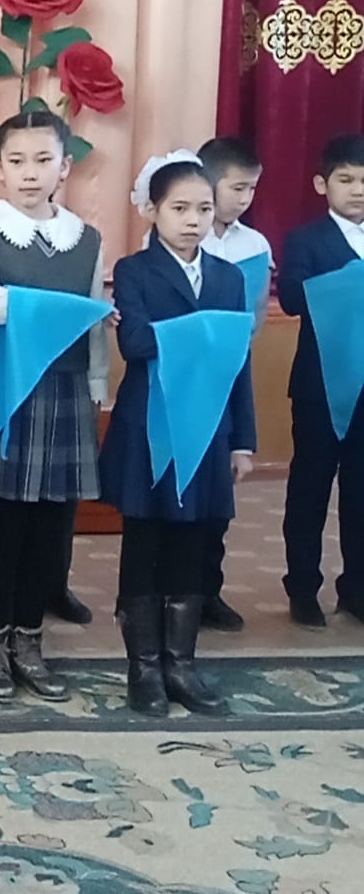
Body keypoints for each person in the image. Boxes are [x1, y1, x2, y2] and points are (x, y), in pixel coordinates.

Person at [0, 112, 108, 703]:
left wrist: (97, 381)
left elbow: (94, 319)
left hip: (66, 391)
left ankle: (29, 641)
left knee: (51, 528)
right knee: (5, 528)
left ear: (64, 167)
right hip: (9, 391)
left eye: (43, 160)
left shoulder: (85, 238)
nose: (29, 173)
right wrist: (63, 311)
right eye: (16, 161)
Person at [99, 156, 255, 716]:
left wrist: (243, 439)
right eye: (180, 208)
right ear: (152, 211)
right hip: (150, 424)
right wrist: (205, 334)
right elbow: (136, 344)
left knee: (193, 542)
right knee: (144, 542)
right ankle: (143, 669)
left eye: (204, 209)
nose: (193, 220)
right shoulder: (135, 270)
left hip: (209, 428)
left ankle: (181, 665)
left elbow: (237, 361)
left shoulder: (229, 278)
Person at [278, 134, 364, 628]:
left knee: (360, 492)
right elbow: (292, 297)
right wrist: (348, 282)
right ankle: (303, 586)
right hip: (319, 388)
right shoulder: (305, 239)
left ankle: (356, 588)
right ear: (321, 184)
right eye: (346, 180)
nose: (357, 190)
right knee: (310, 488)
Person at [194, 136, 271, 632]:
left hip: (228, 375)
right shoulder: (184, 236)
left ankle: (209, 591)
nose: (244, 198)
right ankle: (169, 590)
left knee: (218, 499)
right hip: (182, 373)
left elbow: (254, 318)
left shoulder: (254, 246)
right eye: (236, 187)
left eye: (251, 189)